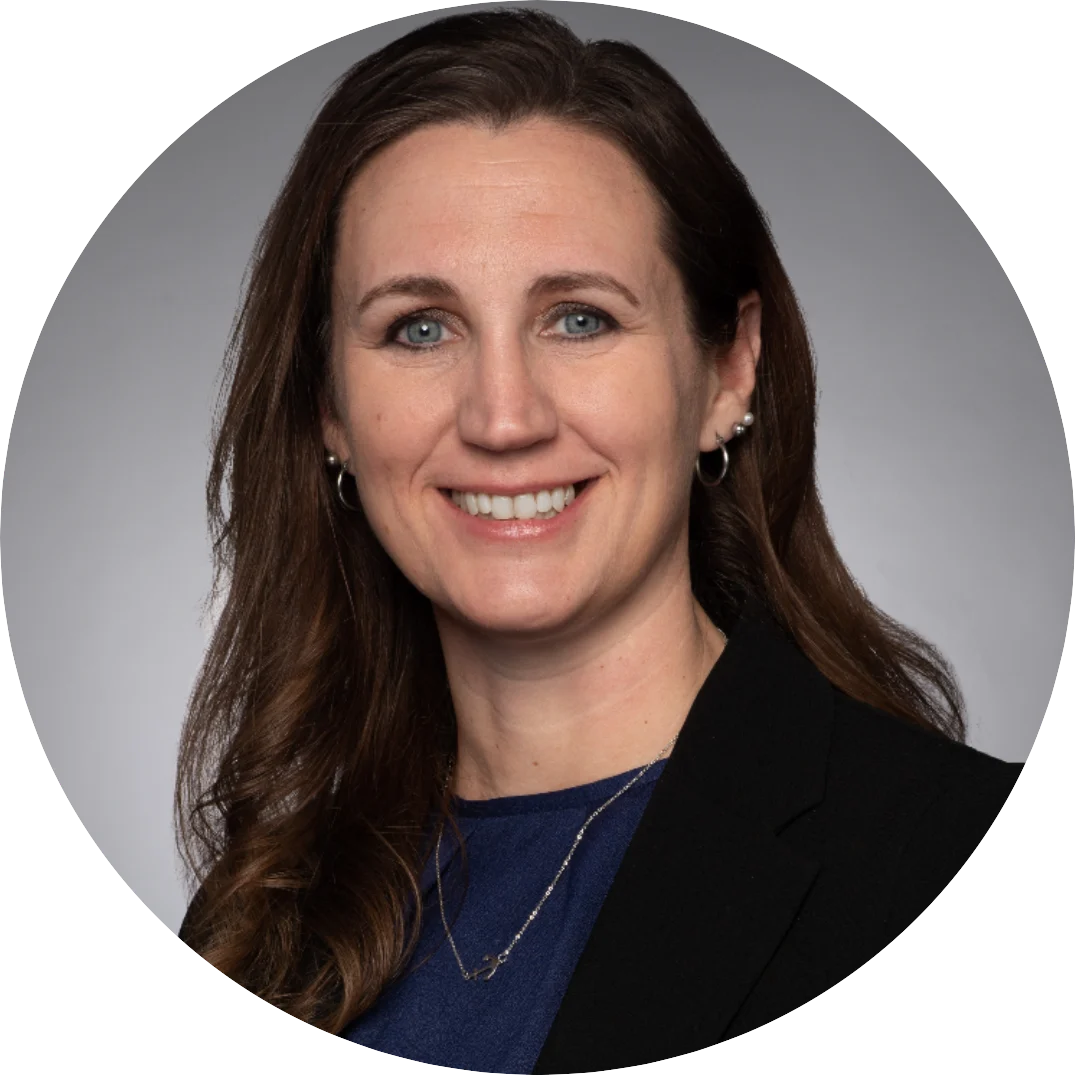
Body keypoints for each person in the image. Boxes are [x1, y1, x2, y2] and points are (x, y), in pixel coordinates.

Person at [175, 8, 1024, 1073]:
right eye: (419, 328)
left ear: (727, 372)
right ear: (330, 411)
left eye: (578, 317)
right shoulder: (263, 918)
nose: (502, 416)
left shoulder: (936, 856)